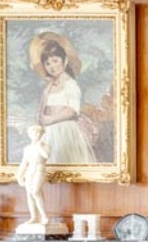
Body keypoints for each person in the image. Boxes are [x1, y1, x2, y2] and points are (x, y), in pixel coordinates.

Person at [29, 33, 99, 164]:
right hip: (48, 132)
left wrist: (50, 119)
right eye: (47, 63)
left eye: (55, 61)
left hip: (65, 130)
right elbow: (42, 108)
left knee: (66, 159)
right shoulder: (49, 87)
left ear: (64, 61)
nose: (52, 66)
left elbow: (72, 110)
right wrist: (41, 119)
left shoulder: (70, 84)